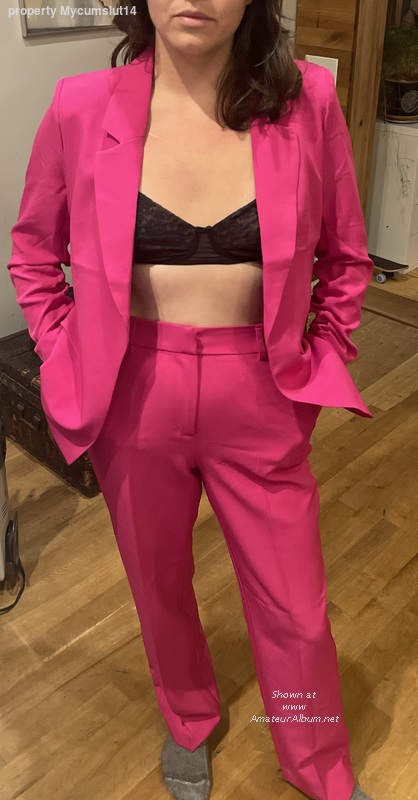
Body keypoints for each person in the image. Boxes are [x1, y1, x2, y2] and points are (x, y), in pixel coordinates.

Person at [7, 2, 376, 799]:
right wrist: (65, 349)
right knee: (158, 581)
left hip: (263, 390)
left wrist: (323, 355)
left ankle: (316, 760)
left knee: (296, 608)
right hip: (133, 392)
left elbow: (348, 256)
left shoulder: (306, 99)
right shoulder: (81, 106)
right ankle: (190, 719)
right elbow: (33, 251)